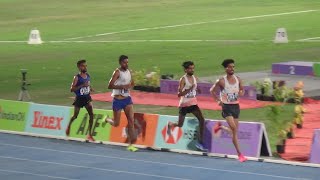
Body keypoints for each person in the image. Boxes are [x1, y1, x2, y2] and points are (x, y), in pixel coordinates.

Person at [210, 59, 247, 162]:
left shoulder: (238, 79)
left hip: (236, 107)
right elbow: (212, 91)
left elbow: (242, 89)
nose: (232, 69)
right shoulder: (221, 81)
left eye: (233, 67)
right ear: (226, 68)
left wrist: (241, 92)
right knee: (234, 129)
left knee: (233, 131)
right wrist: (218, 100)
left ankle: (220, 127)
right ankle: (240, 154)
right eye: (230, 67)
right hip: (226, 107)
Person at [167, 61, 206, 151]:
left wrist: (198, 89)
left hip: (193, 103)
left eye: (193, 68)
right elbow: (179, 94)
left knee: (202, 119)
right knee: (180, 124)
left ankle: (200, 142)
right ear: (185, 69)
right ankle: (170, 124)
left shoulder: (195, 77)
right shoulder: (183, 79)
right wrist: (189, 89)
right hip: (184, 104)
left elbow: (195, 87)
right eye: (190, 68)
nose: (192, 70)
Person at [104, 55, 138, 152]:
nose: (126, 64)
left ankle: (131, 145)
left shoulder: (129, 71)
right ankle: (107, 119)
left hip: (127, 99)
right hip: (117, 100)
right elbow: (109, 85)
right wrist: (122, 87)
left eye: (127, 62)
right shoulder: (117, 72)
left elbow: (132, 83)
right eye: (124, 62)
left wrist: (129, 86)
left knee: (131, 121)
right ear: (120, 63)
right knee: (116, 123)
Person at [66, 59, 95, 142]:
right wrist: (82, 85)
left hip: (87, 98)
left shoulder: (88, 75)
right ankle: (69, 126)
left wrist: (90, 88)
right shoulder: (76, 77)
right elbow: (72, 89)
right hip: (79, 99)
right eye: (83, 66)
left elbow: (88, 84)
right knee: (75, 116)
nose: (85, 67)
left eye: (86, 65)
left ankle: (90, 134)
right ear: (79, 67)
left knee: (91, 115)